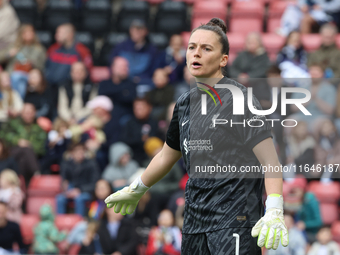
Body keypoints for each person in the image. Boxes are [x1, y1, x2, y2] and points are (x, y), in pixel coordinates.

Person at [105, 18, 289, 254]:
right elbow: (165, 157)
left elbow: (270, 162)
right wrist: (136, 189)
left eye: (206, 48)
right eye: (192, 47)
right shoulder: (183, 104)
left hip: (234, 220)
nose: (196, 53)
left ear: (224, 60)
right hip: (194, 223)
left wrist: (274, 207)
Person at [45, 23, 93, 119]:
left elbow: (88, 69)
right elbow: (45, 67)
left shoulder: (81, 50)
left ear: (70, 34)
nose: (56, 35)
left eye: (60, 33)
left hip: (69, 89)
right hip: (50, 89)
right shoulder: (53, 49)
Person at [56, 142, 100, 216]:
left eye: (82, 150)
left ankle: (79, 222)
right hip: (71, 191)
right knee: (60, 198)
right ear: (72, 153)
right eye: (77, 150)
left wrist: (79, 190)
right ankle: (61, 221)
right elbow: (64, 180)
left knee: (79, 199)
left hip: (86, 191)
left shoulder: (91, 164)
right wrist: (65, 188)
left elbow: (94, 184)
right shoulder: (66, 164)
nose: (80, 152)